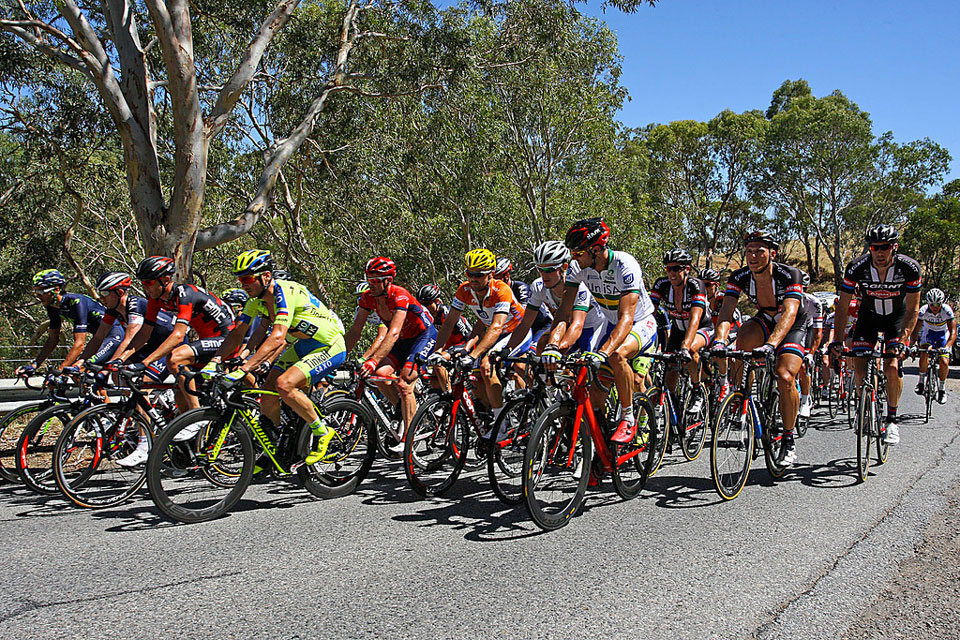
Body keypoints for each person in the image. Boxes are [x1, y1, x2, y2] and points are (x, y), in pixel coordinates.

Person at [205, 250, 347, 464]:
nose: (243, 284)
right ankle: (276, 448)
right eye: (240, 279)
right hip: (305, 345)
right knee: (268, 390)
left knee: (284, 384)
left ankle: (322, 431)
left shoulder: (286, 291)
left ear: (266, 276)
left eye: (247, 278)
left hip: (329, 345)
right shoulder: (257, 302)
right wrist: (214, 362)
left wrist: (244, 369)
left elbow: (278, 337)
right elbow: (237, 334)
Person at [553, 218, 658, 444]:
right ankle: (599, 447)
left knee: (615, 355)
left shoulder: (625, 265)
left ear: (597, 249)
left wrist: (603, 351)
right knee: (596, 392)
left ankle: (628, 417)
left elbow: (627, 318)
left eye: (578, 252)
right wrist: (553, 346)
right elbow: (563, 312)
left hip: (639, 322)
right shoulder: (577, 268)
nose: (574, 258)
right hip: (611, 323)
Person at [714, 231, 807, 466]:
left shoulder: (789, 274)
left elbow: (790, 313)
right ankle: (742, 394)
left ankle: (788, 438)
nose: (753, 256)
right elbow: (726, 312)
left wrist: (771, 345)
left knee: (785, 376)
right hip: (765, 317)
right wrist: (719, 340)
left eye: (760, 251)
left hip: (793, 323)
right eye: (749, 251)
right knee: (742, 338)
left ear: (772, 254)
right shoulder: (740, 276)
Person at [830, 224, 922, 446]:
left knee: (891, 366)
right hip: (868, 318)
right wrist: (838, 341)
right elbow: (842, 308)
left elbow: (913, 309)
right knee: (859, 366)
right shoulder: (856, 268)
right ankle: (864, 406)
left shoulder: (909, 268)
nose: (879, 252)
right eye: (874, 247)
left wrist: (903, 340)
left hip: (896, 319)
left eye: (885, 247)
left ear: (894, 247)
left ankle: (892, 420)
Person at [123, 256, 235, 414]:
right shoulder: (155, 299)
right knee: (180, 396)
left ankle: (196, 415)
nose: (145, 287)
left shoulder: (185, 294)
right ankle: (192, 434)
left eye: (148, 282)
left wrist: (145, 362)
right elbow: (144, 333)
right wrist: (121, 358)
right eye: (142, 283)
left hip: (226, 338)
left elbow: (178, 335)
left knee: (175, 358)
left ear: (166, 280)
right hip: (207, 339)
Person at [344, 257, 437, 447]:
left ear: (389, 280)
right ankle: (401, 410)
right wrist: (337, 356)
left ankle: (409, 438)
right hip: (403, 341)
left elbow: (392, 332)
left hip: (423, 337)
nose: (371, 285)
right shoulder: (368, 297)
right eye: (369, 280)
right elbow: (355, 331)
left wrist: (372, 359)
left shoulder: (399, 294)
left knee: (404, 383)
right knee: (380, 375)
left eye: (376, 281)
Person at [434, 248, 528, 429]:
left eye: (479, 275)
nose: (473, 279)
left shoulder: (502, 290)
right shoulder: (465, 290)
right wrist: (438, 350)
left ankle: (502, 425)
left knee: (486, 366)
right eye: (470, 273)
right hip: (494, 333)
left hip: (516, 332)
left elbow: (496, 326)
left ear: (491, 274)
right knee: (476, 378)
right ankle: (494, 412)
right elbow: (449, 323)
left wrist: (473, 355)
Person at [16, 269, 123, 377]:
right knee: (78, 378)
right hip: (99, 339)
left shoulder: (76, 302)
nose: (38, 296)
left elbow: (79, 343)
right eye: (36, 291)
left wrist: (60, 371)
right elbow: (53, 339)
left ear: (56, 289)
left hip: (114, 334)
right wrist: (35, 365)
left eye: (41, 292)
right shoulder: (52, 307)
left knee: (80, 370)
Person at [649, 249, 713, 414]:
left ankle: (697, 390)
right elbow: (650, 313)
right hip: (678, 329)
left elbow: (695, 320)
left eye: (676, 268)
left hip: (701, 328)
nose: (671, 272)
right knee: (669, 367)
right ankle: (672, 409)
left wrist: (685, 347)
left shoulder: (695, 285)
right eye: (668, 268)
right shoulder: (661, 285)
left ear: (687, 269)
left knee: (691, 351)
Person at [494, 257, 554, 350]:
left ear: (507, 275)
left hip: (542, 326)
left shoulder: (521, 288)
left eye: (498, 279)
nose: (495, 283)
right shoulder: (495, 292)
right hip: (522, 328)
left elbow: (522, 313)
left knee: (531, 354)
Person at [912, 287, 955, 403]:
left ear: (942, 303)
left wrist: (947, 347)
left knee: (944, 361)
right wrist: (914, 344)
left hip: (942, 334)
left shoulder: (947, 311)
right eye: (932, 305)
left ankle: (942, 389)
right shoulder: (923, 311)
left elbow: (953, 332)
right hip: (929, 333)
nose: (935, 307)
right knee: (924, 352)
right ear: (928, 303)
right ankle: (921, 382)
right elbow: (916, 330)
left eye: (937, 304)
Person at [797, 272, 825, 419]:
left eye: (803, 288)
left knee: (803, 365)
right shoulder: (783, 299)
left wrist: (811, 353)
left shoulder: (814, 303)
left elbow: (818, 332)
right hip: (791, 329)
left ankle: (805, 399)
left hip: (807, 329)